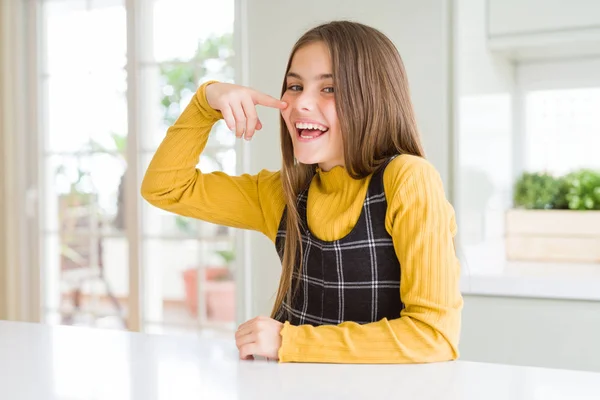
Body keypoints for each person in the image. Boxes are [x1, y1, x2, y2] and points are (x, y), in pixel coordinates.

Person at [141, 20, 463, 364]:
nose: (300, 104)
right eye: (294, 86)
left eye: (330, 89)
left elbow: (433, 336)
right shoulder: (282, 193)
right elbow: (165, 187)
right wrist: (207, 101)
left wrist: (287, 341)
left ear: (372, 96)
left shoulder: (408, 179)